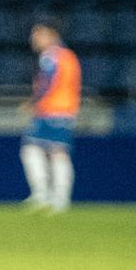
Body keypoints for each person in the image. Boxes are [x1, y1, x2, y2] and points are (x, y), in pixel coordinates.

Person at [19, 23, 80, 213]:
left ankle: (46, 194)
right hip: (65, 111)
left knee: (34, 150)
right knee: (56, 151)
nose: (33, 39)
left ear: (51, 34)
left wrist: (33, 102)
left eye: (38, 34)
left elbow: (48, 82)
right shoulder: (68, 56)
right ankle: (57, 197)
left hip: (51, 110)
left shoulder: (51, 56)